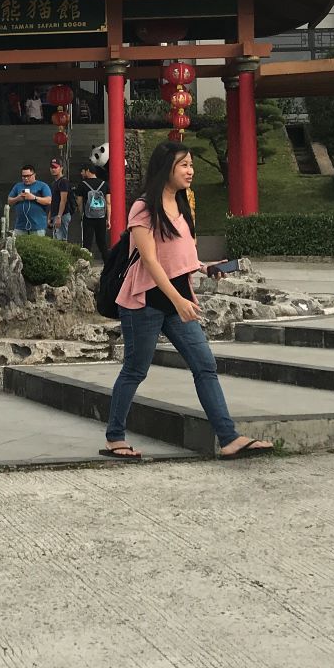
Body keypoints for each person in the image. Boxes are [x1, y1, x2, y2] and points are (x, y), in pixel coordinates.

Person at [101, 141, 273, 460]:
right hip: (145, 301)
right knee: (136, 369)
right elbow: (151, 261)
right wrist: (178, 300)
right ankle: (115, 437)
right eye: (184, 165)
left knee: (205, 365)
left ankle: (229, 438)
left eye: (191, 165)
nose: (191, 171)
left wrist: (205, 268)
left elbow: (180, 253)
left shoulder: (181, 202)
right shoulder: (143, 207)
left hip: (178, 299)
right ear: (165, 167)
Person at [73, 161, 111, 260]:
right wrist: (109, 219)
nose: (81, 173)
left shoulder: (82, 184)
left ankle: (86, 264)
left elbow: (79, 202)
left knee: (87, 242)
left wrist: (81, 214)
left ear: (88, 171)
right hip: (101, 217)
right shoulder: (104, 184)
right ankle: (108, 264)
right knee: (102, 242)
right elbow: (108, 203)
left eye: (82, 171)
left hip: (88, 217)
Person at [7, 164, 52, 236]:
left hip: (37, 227)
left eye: (28, 176)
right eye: (24, 176)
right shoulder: (18, 186)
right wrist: (18, 198)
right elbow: (9, 201)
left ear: (34, 175)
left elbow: (48, 200)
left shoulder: (42, 186)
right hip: (20, 226)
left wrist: (34, 198)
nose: (26, 178)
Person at [47, 158, 72, 242]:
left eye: (55, 167)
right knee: (56, 240)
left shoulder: (63, 182)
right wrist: (50, 216)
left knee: (61, 241)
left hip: (62, 215)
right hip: (55, 214)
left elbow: (63, 200)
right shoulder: (54, 183)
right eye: (52, 167)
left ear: (61, 168)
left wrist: (59, 216)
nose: (53, 169)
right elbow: (53, 201)